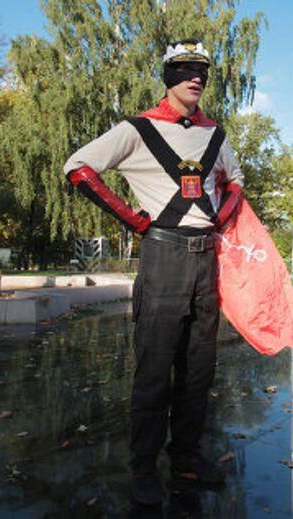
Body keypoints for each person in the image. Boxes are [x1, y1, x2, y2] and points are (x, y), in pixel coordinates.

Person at [63, 39, 243, 506]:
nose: (195, 77)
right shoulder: (138, 128)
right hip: (162, 258)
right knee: (154, 373)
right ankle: (142, 468)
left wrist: (221, 219)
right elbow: (78, 167)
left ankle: (185, 458)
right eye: (184, 69)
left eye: (201, 69)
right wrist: (133, 219)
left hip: (207, 260)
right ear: (168, 75)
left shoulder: (216, 135)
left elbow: (235, 181)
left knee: (199, 370)